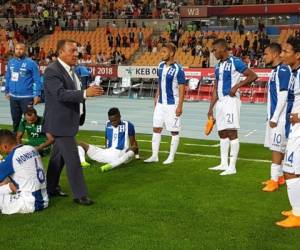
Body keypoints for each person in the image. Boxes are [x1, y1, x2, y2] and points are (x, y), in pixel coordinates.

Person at [43, 39, 103, 206]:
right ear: (61, 52)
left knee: (58, 158)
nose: (76, 54)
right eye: (72, 51)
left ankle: (51, 187)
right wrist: (85, 93)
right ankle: (80, 194)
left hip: (68, 121)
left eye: (77, 50)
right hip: (60, 124)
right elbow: (60, 94)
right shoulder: (52, 71)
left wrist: (88, 91)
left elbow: (74, 92)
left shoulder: (71, 70)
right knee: (73, 159)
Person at [208, 39, 257, 175]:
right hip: (220, 102)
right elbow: (216, 88)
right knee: (222, 132)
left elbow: (253, 75)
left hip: (231, 101)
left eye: (214, 50)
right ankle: (223, 163)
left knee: (231, 132)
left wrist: (237, 86)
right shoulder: (217, 66)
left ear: (222, 49)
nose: (213, 53)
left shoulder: (235, 61)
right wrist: (210, 108)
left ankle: (232, 167)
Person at [144, 43, 186, 165]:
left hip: (172, 105)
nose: (161, 54)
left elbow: (182, 88)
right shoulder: (160, 66)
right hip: (160, 104)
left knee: (174, 131)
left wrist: (180, 106)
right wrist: (156, 96)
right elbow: (160, 83)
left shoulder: (178, 69)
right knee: (156, 128)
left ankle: (171, 157)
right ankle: (154, 156)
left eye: (164, 52)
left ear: (171, 53)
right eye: (161, 52)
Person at [276, 36, 300, 228]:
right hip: (295, 127)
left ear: (297, 55)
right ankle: (297, 209)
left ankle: (297, 215)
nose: (282, 55)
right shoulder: (294, 73)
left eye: (286, 51)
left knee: (289, 170)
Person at [262, 43, 291, 192]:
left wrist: (274, 117)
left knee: (277, 149)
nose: (264, 57)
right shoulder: (275, 71)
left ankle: (274, 180)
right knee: (277, 147)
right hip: (275, 116)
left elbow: (284, 95)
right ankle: (279, 177)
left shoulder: (283, 70)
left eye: (266, 54)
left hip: (280, 118)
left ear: (274, 54)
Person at [0, 129, 48, 214]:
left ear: (5, 146)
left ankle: (11, 188)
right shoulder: (31, 148)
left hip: (29, 202)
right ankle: (10, 187)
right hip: (44, 197)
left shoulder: (11, 159)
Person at [78, 107, 139, 172]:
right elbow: (106, 138)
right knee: (81, 144)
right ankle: (83, 162)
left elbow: (133, 143)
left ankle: (110, 166)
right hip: (107, 153)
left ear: (119, 116)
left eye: (115, 120)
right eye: (111, 121)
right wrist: (106, 150)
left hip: (121, 154)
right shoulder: (107, 124)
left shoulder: (128, 125)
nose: (113, 123)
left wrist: (137, 155)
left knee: (134, 148)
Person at [5, 42, 41, 132]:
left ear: (24, 50)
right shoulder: (11, 62)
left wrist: (37, 94)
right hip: (13, 97)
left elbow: (37, 79)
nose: (18, 51)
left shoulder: (31, 63)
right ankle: (15, 139)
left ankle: (33, 139)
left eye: (21, 49)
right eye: (17, 49)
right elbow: (8, 77)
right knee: (15, 120)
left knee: (30, 119)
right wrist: (7, 91)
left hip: (26, 97)